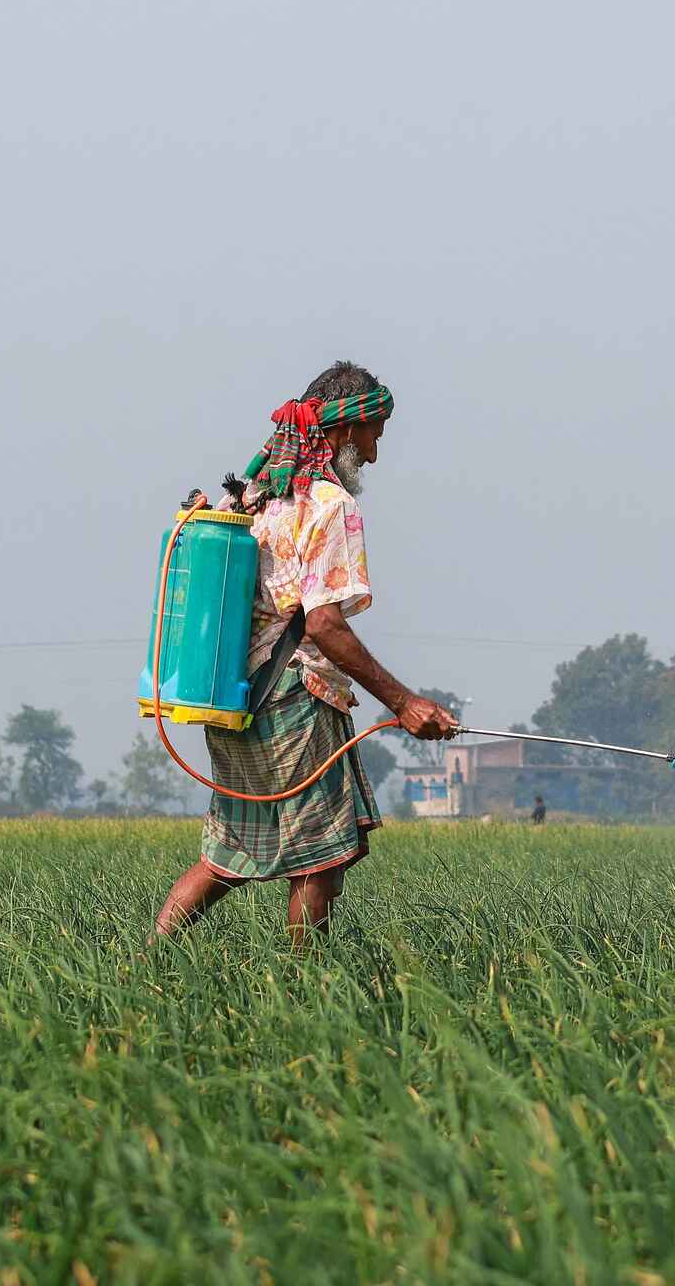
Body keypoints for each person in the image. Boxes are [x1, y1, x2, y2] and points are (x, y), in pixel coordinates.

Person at [153, 361, 461, 940]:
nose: (372, 453)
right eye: (372, 434)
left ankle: (143, 963)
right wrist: (404, 700)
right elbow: (323, 625)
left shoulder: (255, 500)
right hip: (296, 698)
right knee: (319, 860)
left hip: (236, 699)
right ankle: (306, 998)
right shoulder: (330, 506)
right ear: (344, 433)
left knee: (226, 858)